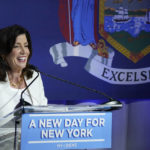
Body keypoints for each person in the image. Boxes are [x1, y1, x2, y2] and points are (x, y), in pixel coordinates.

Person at [0, 24, 48, 118]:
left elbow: (43, 112)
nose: (24, 51)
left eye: (26, 46)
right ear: (3, 53)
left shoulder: (34, 76)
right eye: (16, 46)